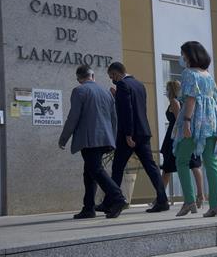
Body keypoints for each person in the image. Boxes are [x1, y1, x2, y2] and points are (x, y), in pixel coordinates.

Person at [59, 65, 127, 219]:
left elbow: (73, 117)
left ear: (79, 79)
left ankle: (118, 198)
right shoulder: (106, 92)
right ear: (93, 76)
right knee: (89, 172)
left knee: (95, 169)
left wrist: (64, 138)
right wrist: (113, 138)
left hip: (89, 140)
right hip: (106, 138)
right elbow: (114, 117)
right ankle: (88, 207)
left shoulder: (79, 91)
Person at [99, 62, 169, 213]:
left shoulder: (123, 85)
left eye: (112, 76)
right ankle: (163, 200)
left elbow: (127, 111)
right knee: (151, 167)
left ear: (117, 74)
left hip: (129, 135)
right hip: (143, 132)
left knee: (117, 167)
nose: (112, 79)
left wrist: (129, 134)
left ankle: (111, 201)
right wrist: (117, 97)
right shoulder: (139, 85)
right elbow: (137, 107)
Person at [173, 41, 217, 217]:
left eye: (183, 54)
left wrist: (186, 121)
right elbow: (215, 99)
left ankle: (189, 202)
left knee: (181, 159)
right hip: (211, 121)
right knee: (211, 162)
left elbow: (191, 99)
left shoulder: (189, 73)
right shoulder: (207, 75)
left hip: (195, 121)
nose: (182, 58)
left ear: (190, 55)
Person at [159, 80, 205, 208]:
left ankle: (161, 198)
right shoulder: (185, 101)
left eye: (167, 89)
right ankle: (200, 195)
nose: (166, 92)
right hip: (184, 134)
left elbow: (179, 118)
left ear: (171, 90)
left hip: (175, 136)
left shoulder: (174, 101)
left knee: (168, 168)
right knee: (194, 164)